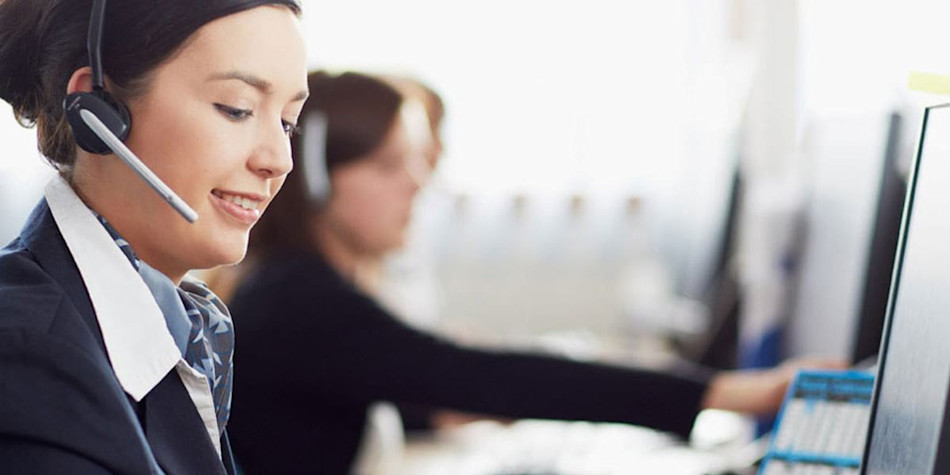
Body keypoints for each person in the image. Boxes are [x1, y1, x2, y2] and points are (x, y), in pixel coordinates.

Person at [225, 71, 839, 474]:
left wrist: (438, 408)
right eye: (390, 165)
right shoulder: (300, 300)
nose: (419, 182)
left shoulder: (293, 287)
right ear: (318, 181)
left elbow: (337, 404)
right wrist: (733, 392)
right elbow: (486, 377)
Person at [0, 0, 308, 473]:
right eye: (237, 109)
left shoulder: (177, 329)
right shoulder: (28, 361)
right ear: (98, 112)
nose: (279, 159)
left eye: (287, 122)